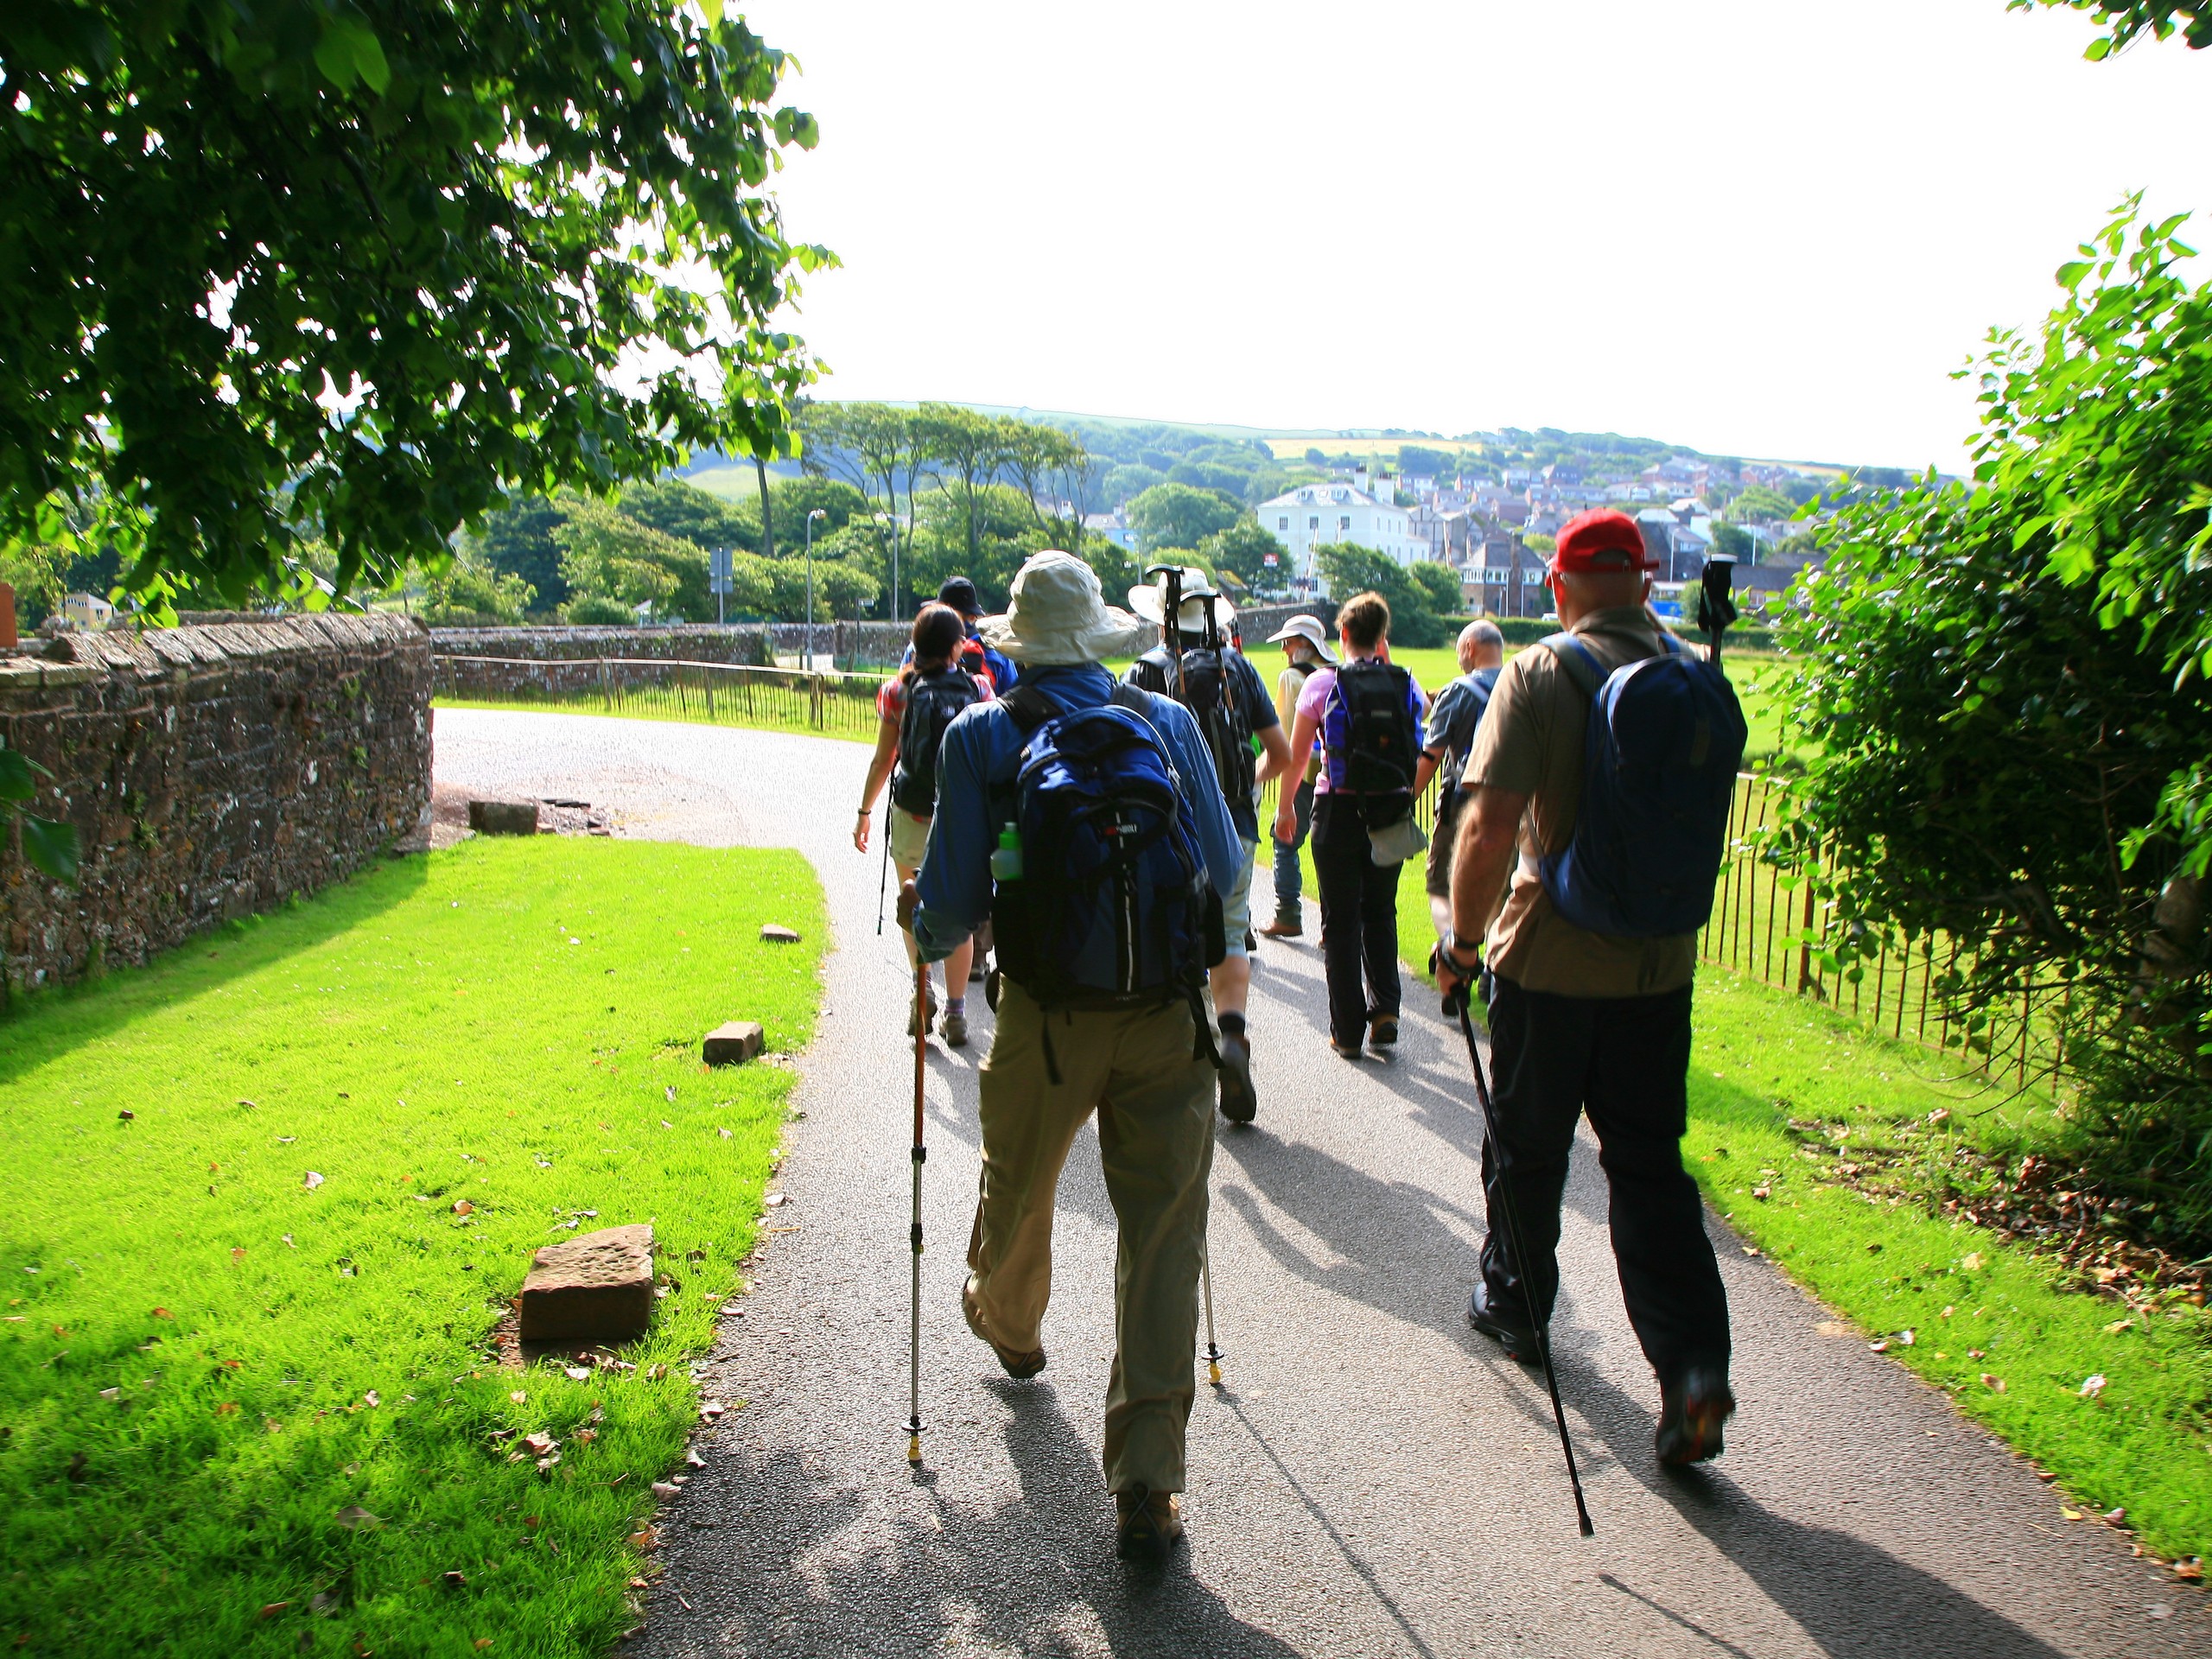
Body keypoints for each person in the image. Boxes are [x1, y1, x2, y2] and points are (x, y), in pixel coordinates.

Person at [903, 550, 1243, 1562]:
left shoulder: (981, 736)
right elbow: (1224, 866)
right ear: (1099, 637)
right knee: (1164, 1235)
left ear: (1019, 641)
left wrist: (923, 936)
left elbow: (955, 906)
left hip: (1049, 1019)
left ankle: (1008, 1318)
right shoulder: (1166, 723)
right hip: (1166, 1018)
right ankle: (1147, 1480)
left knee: (1017, 1190)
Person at [1435, 508, 1737, 1465]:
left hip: (1550, 962)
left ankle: (1518, 1304)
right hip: (1659, 967)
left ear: (1561, 587)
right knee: (1648, 1166)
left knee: (1526, 1147)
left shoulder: (1536, 671)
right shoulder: (1698, 673)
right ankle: (1691, 1372)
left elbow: (1487, 829)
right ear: (1645, 582)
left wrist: (1461, 939)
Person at [1124, 569, 1292, 1124]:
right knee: (1230, 931)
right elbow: (1281, 753)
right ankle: (1235, 1034)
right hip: (1236, 826)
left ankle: (1177, 1063)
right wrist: (1242, 787)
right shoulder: (1238, 669)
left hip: (1166, 827)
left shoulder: (1147, 670)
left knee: (1167, 932)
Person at [1270, 592, 1427, 1058]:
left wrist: (1285, 809)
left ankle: (1347, 1031)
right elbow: (1416, 744)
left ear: (1342, 635)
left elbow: (1299, 756)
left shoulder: (1322, 684)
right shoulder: (1408, 684)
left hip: (1336, 810)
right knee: (1381, 910)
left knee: (1340, 922)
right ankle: (1386, 1012)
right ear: (1382, 637)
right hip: (1390, 811)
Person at [855, 603, 990, 1045]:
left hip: (912, 816)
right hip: (961, 821)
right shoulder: (979, 689)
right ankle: (955, 1014)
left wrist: (864, 813)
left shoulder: (898, 692)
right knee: (960, 916)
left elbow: (883, 760)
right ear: (956, 647)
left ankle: (921, 991)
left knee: (912, 905)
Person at [1411, 620, 1505, 947]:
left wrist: (1407, 799)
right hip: (1516, 803)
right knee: (1499, 888)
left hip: (1463, 801)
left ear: (1469, 648)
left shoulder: (1459, 691)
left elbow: (1431, 755)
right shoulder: (1522, 686)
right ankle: (1493, 970)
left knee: (1440, 885)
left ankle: (1455, 955)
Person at [1255, 615, 1336, 940]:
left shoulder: (1291, 678)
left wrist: (1284, 800)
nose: (1284, 650)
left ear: (1304, 643)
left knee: (1284, 839)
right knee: (1330, 849)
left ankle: (1287, 912)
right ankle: (1333, 926)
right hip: (1336, 774)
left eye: (1288, 643)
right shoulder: (1336, 673)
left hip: (1305, 776)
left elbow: (1289, 739)